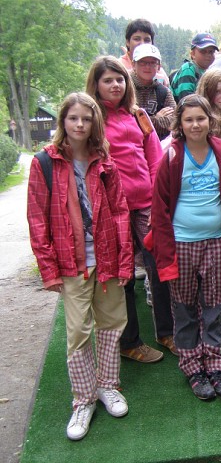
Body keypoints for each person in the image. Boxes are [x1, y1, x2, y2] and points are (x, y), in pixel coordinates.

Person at [27, 92, 132, 440]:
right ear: (63, 121)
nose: (80, 124)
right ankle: (83, 399)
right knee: (78, 332)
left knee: (112, 323)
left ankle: (107, 386)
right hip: (71, 262)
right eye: (73, 118)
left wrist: (124, 260)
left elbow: (120, 211)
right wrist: (48, 269)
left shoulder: (105, 161)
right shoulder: (45, 162)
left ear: (95, 123)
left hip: (106, 258)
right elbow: (37, 219)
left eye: (87, 119)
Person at [148, 94, 221, 401]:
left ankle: (215, 364)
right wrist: (165, 252)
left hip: (214, 241)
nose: (195, 125)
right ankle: (193, 365)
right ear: (180, 123)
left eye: (200, 118)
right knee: (184, 307)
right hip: (181, 243)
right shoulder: (171, 156)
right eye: (189, 119)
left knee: (213, 304)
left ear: (210, 120)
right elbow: (159, 208)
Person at [86, 55, 172, 363]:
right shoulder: (91, 119)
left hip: (145, 203)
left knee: (159, 265)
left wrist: (158, 199)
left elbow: (154, 158)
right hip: (113, 208)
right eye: (107, 80)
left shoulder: (138, 114)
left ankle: (167, 332)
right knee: (122, 274)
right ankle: (129, 342)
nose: (115, 85)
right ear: (96, 84)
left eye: (120, 79)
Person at [130, 43, 176, 140]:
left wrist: (145, 121)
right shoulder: (126, 88)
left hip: (158, 145)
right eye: (142, 62)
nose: (148, 67)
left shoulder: (164, 92)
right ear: (133, 64)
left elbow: (174, 121)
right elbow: (129, 123)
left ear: (158, 66)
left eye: (152, 63)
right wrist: (157, 118)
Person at [118, 18, 170, 87]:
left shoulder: (159, 71)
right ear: (127, 42)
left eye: (147, 40)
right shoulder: (118, 66)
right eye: (137, 39)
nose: (142, 43)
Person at [171, 32, 218, 103]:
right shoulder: (188, 69)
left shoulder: (207, 73)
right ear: (192, 54)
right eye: (203, 51)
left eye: (211, 52)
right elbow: (186, 99)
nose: (208, 55)